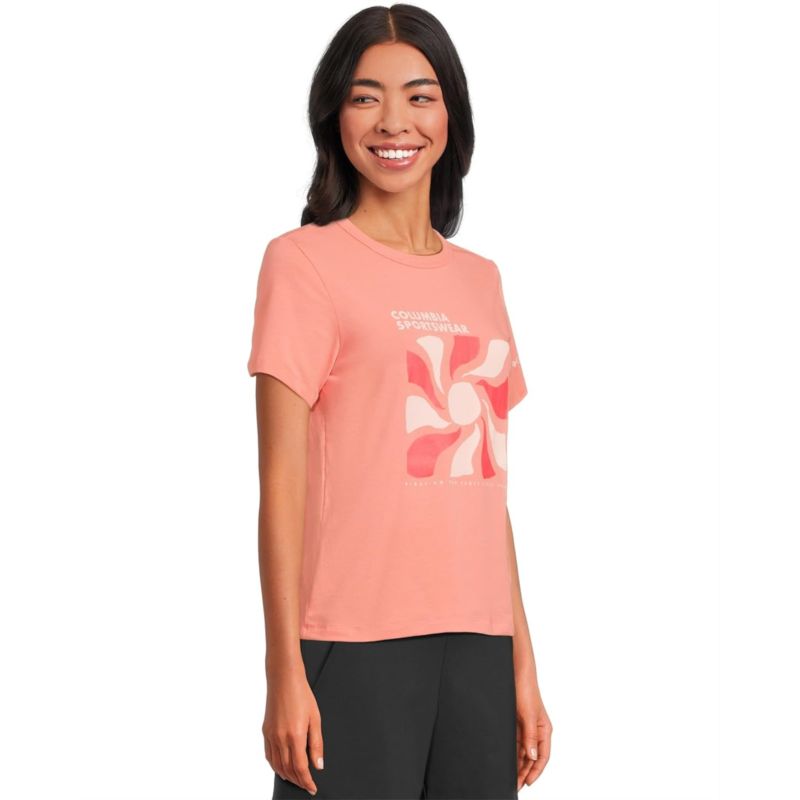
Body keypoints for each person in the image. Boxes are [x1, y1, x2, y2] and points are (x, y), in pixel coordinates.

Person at [247, 5, 552, 798]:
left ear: (451, 114)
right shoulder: (303, 263)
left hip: (479, 650)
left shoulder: (480, 279)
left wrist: (522, 665)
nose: (394, 121)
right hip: (354, 644)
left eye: (420, 96)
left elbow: (485, 491)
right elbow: (280, 484)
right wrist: (283, 670)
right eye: (365, 96)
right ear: (334, 115)